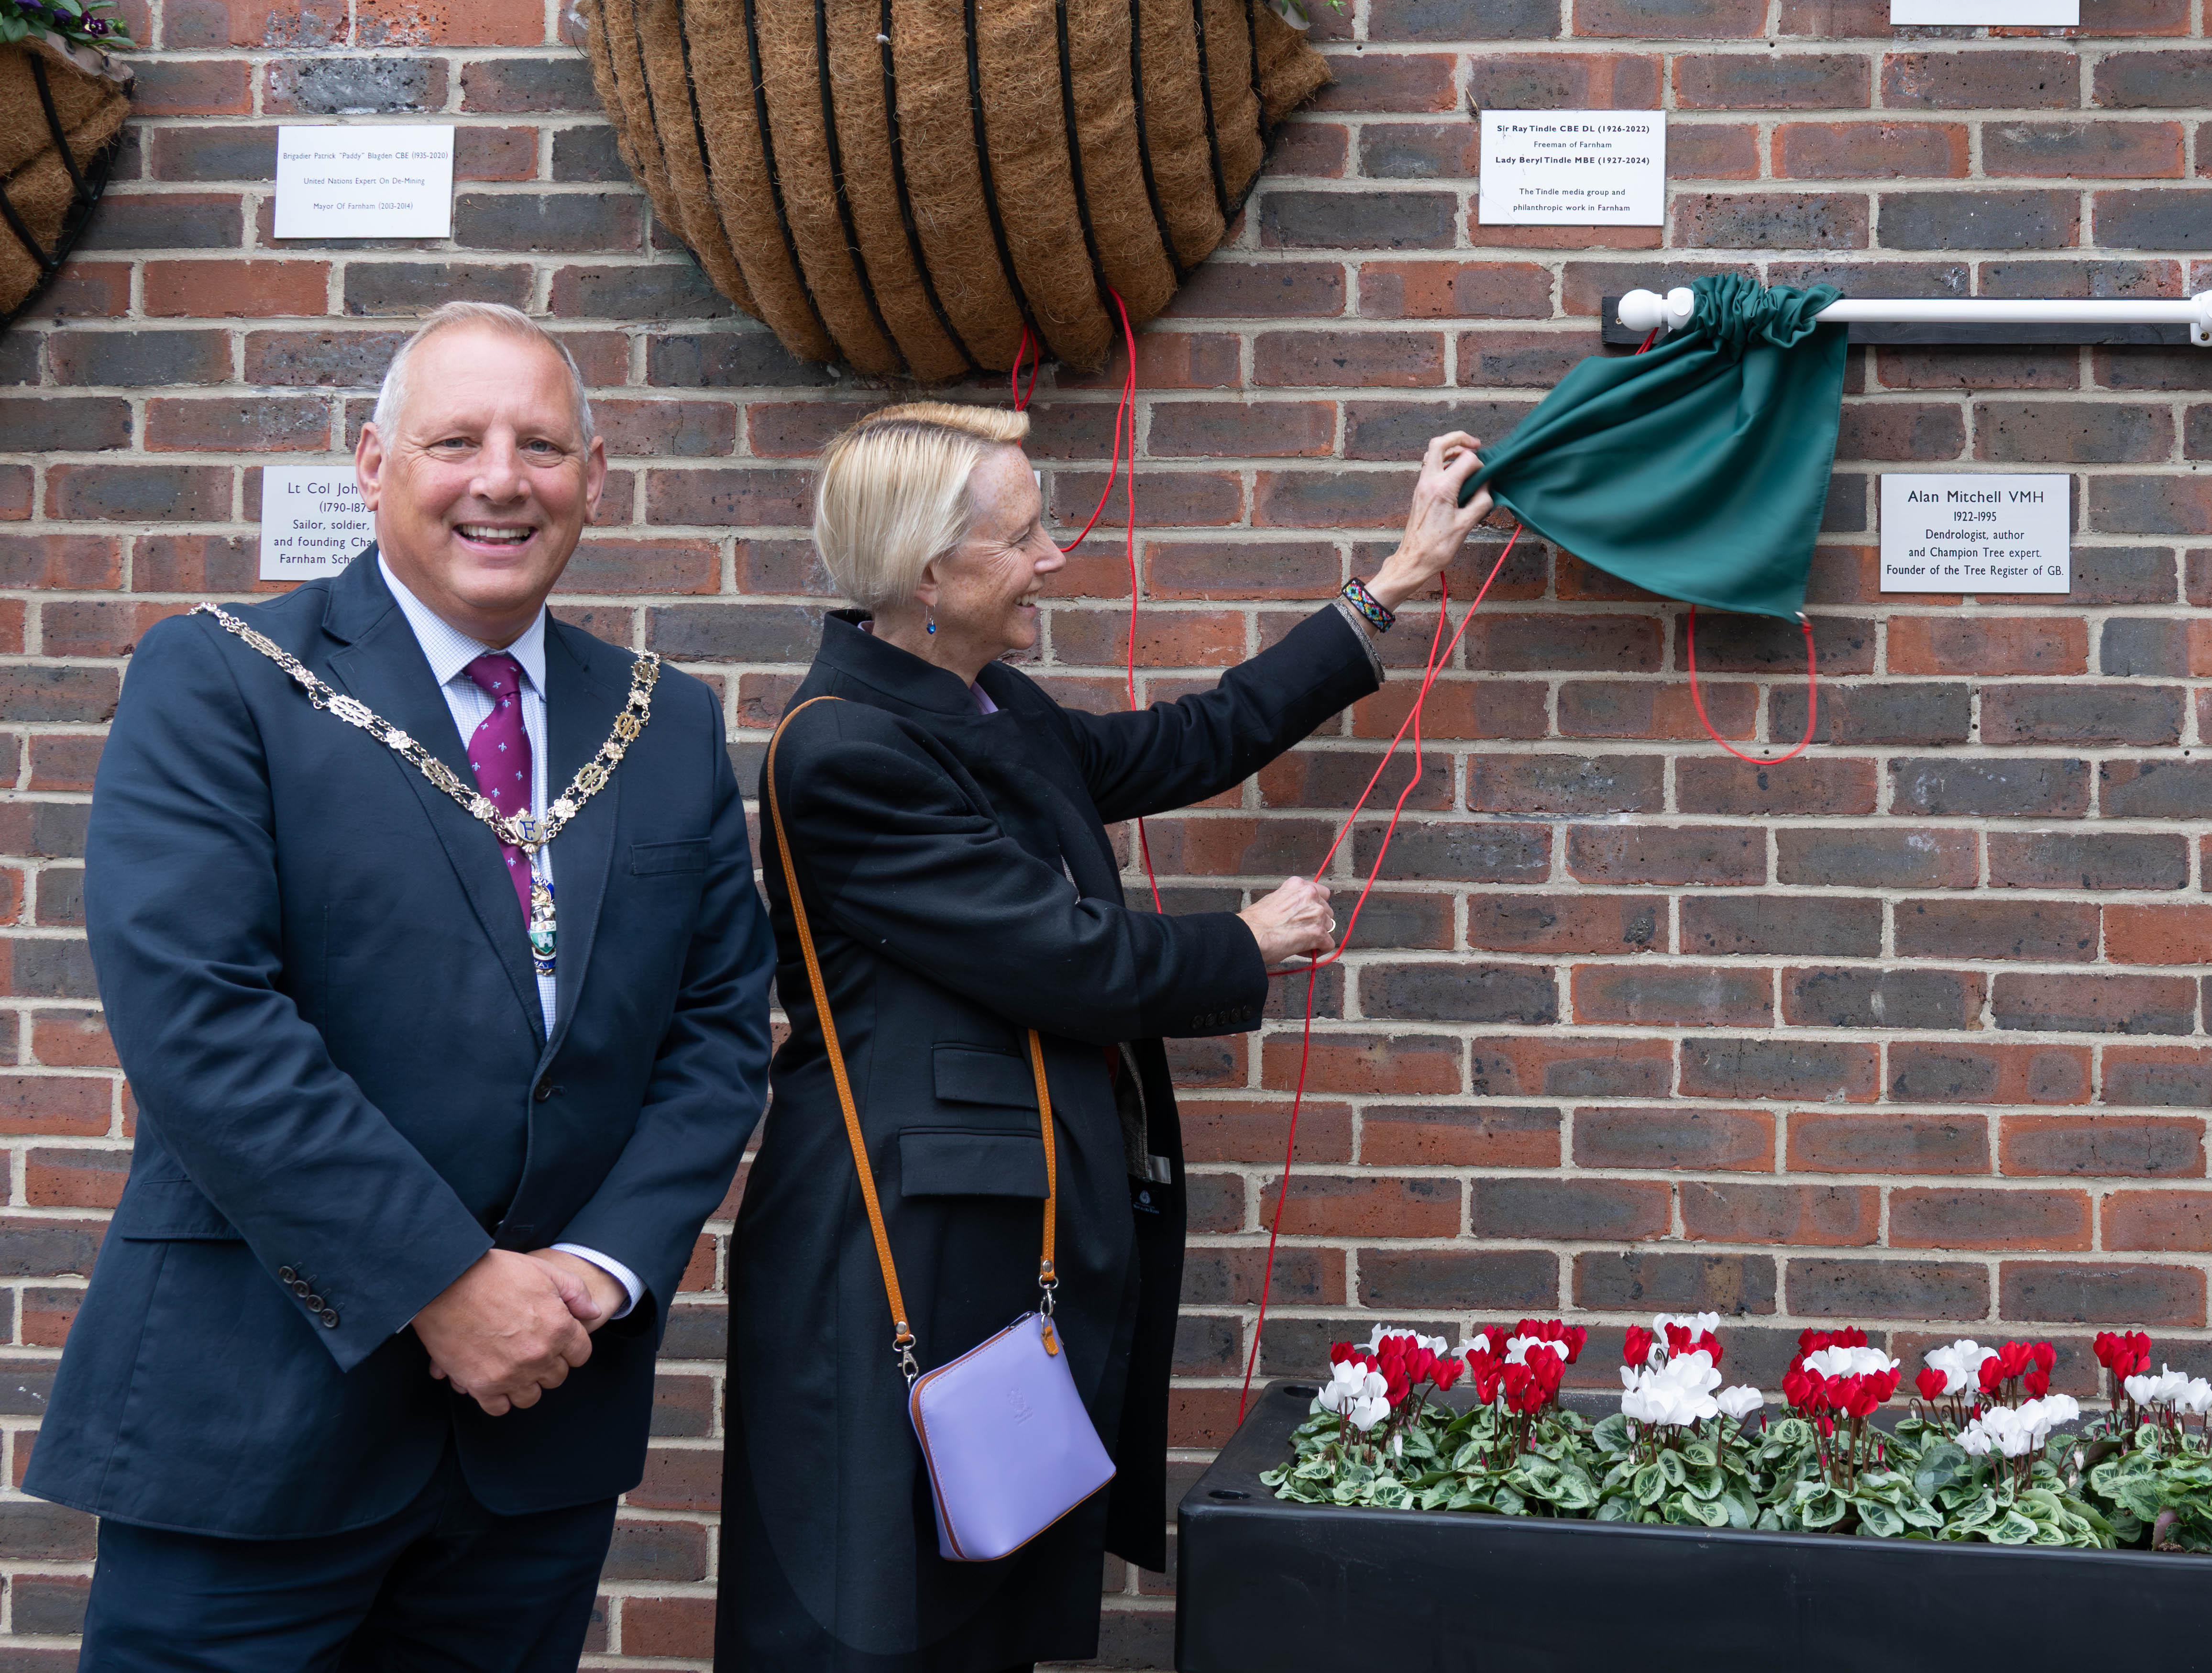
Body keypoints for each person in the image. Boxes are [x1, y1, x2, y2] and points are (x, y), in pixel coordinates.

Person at [28, 301, 776, 1671]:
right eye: (457, 440)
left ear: (594, 480)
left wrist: (595, 1276)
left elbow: (719, 1034)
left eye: (542, 445)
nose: (502, 478)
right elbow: (203, 1021)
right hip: (258, 1419)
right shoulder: (223, 678)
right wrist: (446, 1283)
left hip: (538, 1435)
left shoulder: (663, 719)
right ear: (373, 466)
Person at [715, 401, 1494, 1672]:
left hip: (977, 1232)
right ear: (927, 569)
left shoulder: (978, 704)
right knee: (872, 1602)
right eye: (1025, 535)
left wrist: (1382, 595)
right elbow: (1062, 956)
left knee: (974, 1584)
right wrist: (1244, 941)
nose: (1054, 557)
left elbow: (1185, 739)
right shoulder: (847, 749)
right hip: (896, 1251)